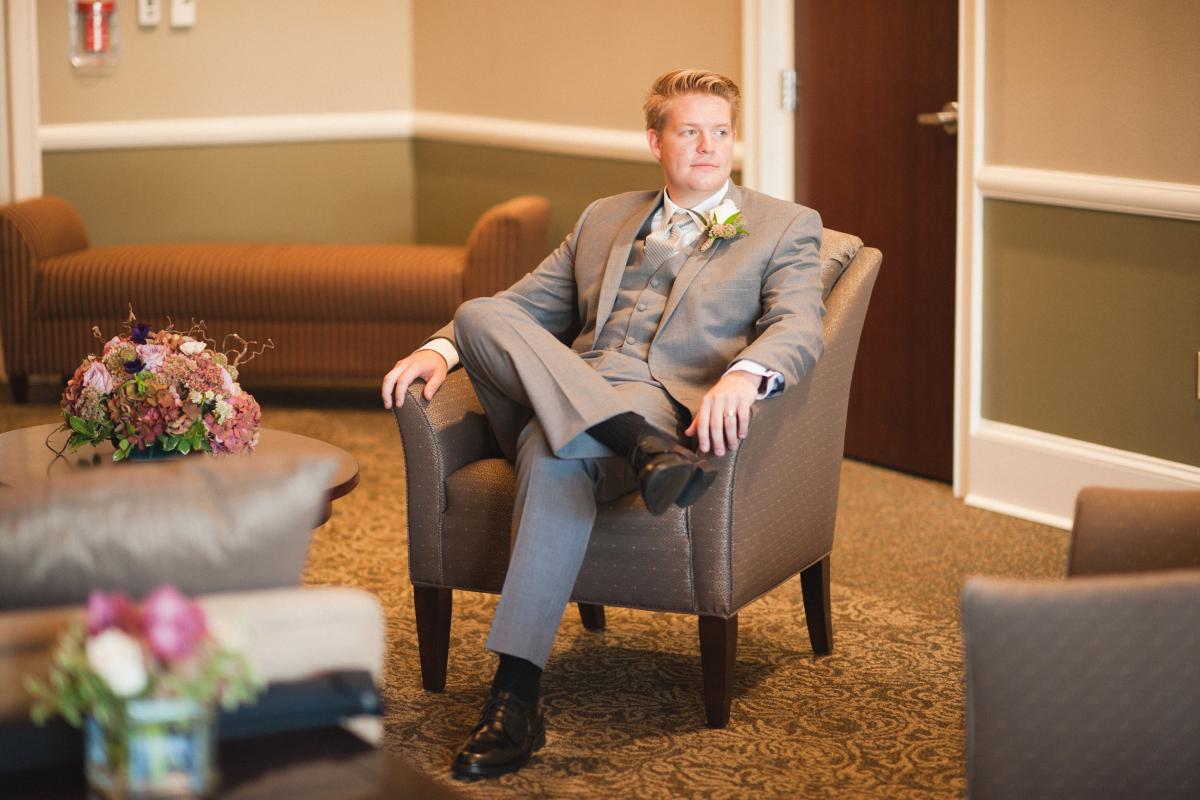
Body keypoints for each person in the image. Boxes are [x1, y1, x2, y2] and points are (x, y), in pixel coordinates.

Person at [381, 68, 825, 780]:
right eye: (689, 130)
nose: (709, 146)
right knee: (476, 315)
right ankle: (638, 450)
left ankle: (515, 697)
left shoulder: (783, 226)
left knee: (555, 453)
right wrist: (438, 350)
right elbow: (513, 309)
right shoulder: (603, 217)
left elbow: (800, 323)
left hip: (658, 400)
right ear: (655, 141)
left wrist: (745, 374)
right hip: (571, 388)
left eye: (721, 131)